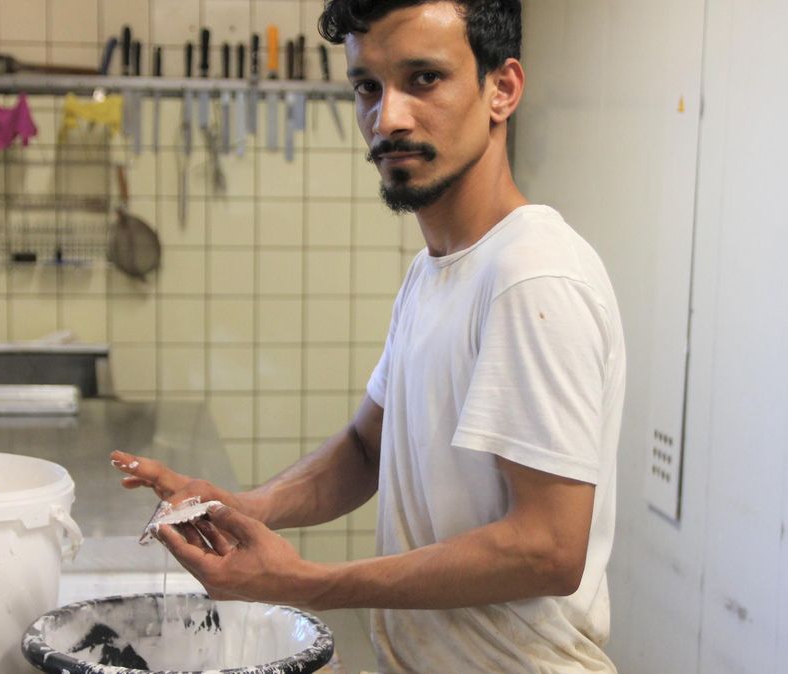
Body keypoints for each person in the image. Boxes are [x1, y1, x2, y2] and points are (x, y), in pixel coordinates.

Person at [110, 1, 626, 671]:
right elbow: (365, 449)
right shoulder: (433, 271)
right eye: (368, 87)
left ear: (502, 90)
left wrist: (309, 583)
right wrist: (243, 506)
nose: (389, 118)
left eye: (424, 79)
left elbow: (548, 549)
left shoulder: (531, 274)